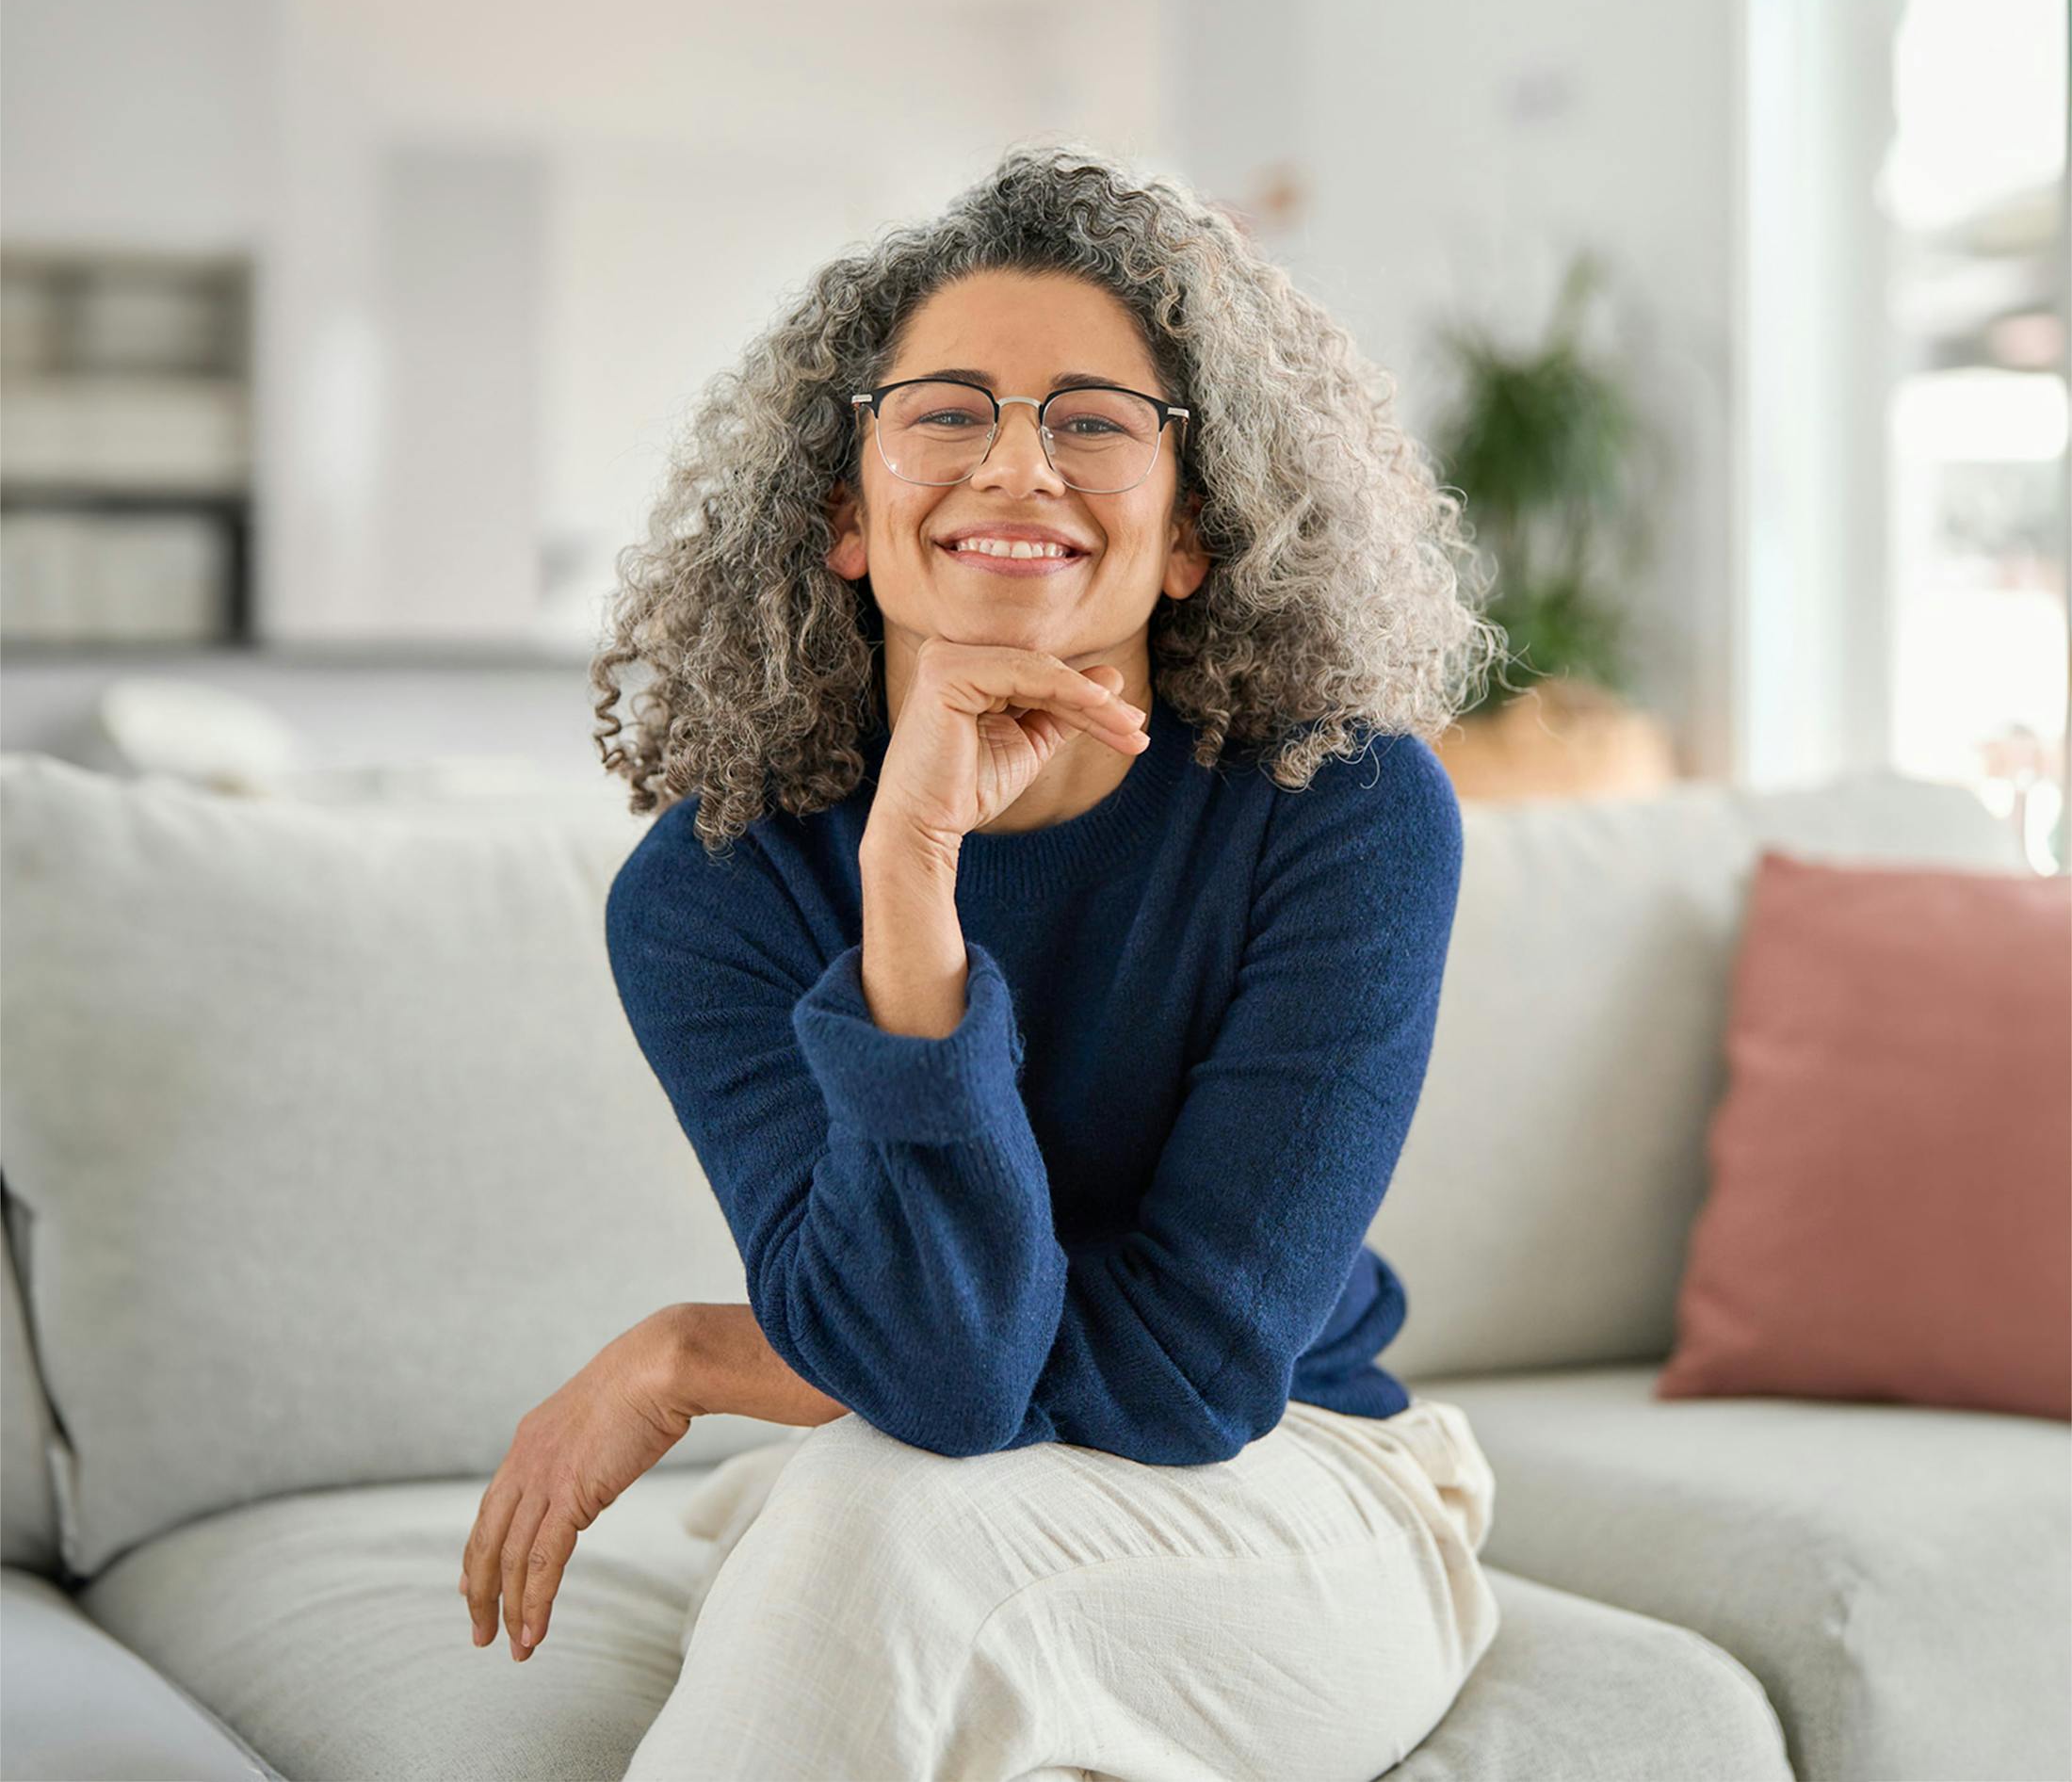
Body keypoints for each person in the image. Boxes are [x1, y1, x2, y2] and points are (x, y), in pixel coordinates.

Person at [460, 138, 1513, 1780]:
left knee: (873, 1524)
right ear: (845, 517)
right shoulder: (708, 895)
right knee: (879, 1511)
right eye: (948, 414)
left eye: (1094, 422)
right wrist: (913, 877)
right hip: (917, 1460)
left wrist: (699, 1353)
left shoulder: (1346, 811)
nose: (1018, 465)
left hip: (1298, 1478)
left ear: (1190, 532)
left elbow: (1190, 1372)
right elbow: (935, 1370)